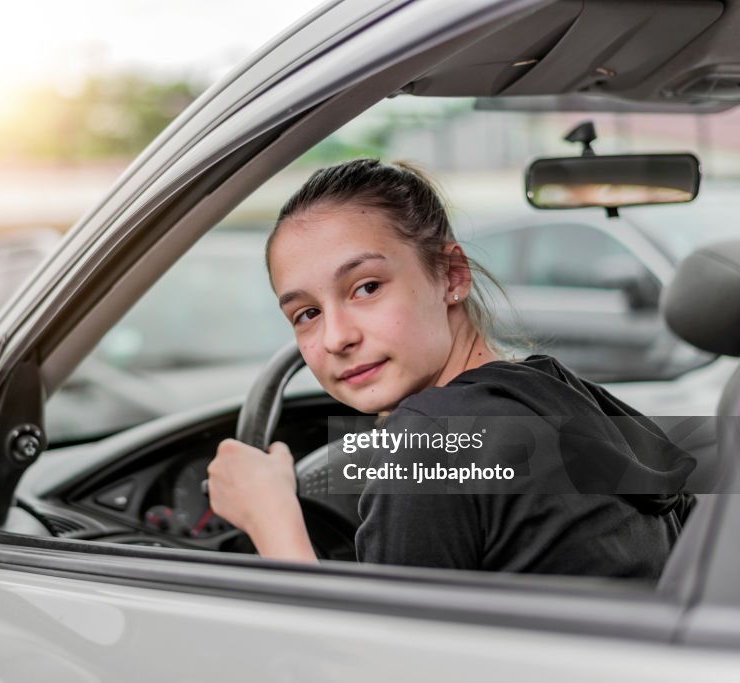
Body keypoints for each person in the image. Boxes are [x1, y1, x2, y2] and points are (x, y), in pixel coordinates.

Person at [206, 158, 694, 578]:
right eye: (306, 314)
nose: (337, 338)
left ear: (452, 275)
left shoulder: (427, 441)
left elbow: (377, 666)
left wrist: (271, 519)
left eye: (367, 287)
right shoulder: (553, 390)